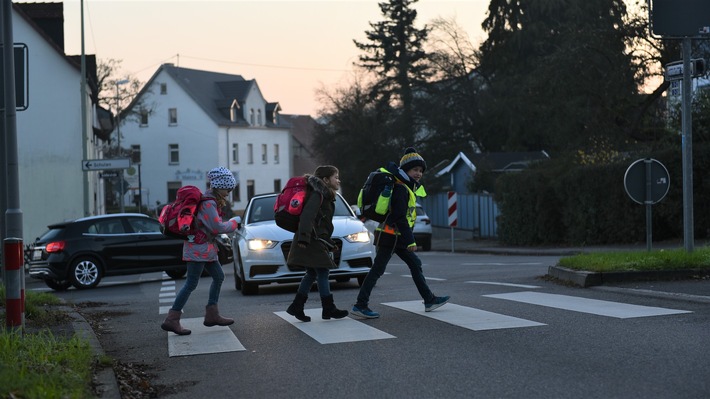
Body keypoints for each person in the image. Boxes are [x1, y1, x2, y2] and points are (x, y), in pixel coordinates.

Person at [351, 148, 450, 319]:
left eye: (420, 170)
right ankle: (360, 305)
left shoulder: (405, 187)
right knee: (378, 270)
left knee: (414, 264)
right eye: (415, 170)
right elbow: (399, 217)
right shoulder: (400, 188)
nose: (418, 174)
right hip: (391, 236)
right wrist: (411, 240)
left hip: (395, 236)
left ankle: (429, 299)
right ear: (405, 170)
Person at [161, 166, 240, 335]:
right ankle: (172, 319)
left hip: (204, 249)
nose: (229, 192)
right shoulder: (209, 203)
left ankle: (212, 314)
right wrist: (234, 223)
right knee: (191, 283)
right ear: (219, 186)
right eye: (228, 188)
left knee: (219, 276)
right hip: (198, 249)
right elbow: (217, 227)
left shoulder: (210, 201)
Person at [285, 165, 349, 322]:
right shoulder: (317, 195)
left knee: (313, 273)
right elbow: (307, 217)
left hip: (316, 239)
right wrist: (304, 238)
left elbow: (322, 224)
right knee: (322, 271)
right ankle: (328, 308)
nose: (338, 180)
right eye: (336, 177)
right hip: (311, 240)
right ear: (326, 180)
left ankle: (297, 306)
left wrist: (329, 242)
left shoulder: (325, 195)